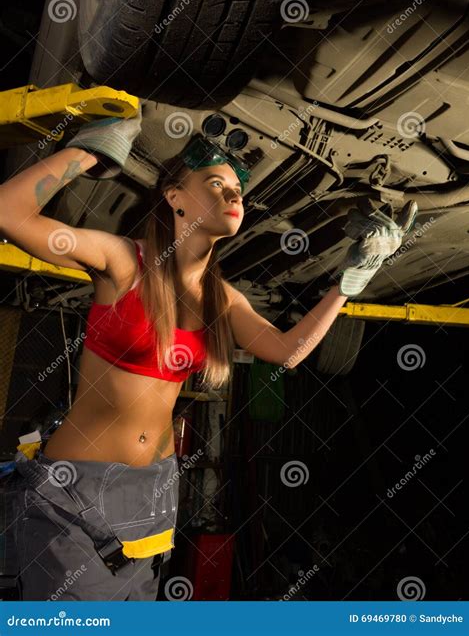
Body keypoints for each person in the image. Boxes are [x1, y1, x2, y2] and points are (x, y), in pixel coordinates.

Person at [0, 106, 417, 600]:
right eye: (217, 183)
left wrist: (352, 279)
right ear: (175, 198)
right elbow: (10, 213)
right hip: (75, 495)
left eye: (237, 189)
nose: (233, 193)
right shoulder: (123, 260)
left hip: (151, 497)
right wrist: (87, 152)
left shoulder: (224, 298)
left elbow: (288, 352)